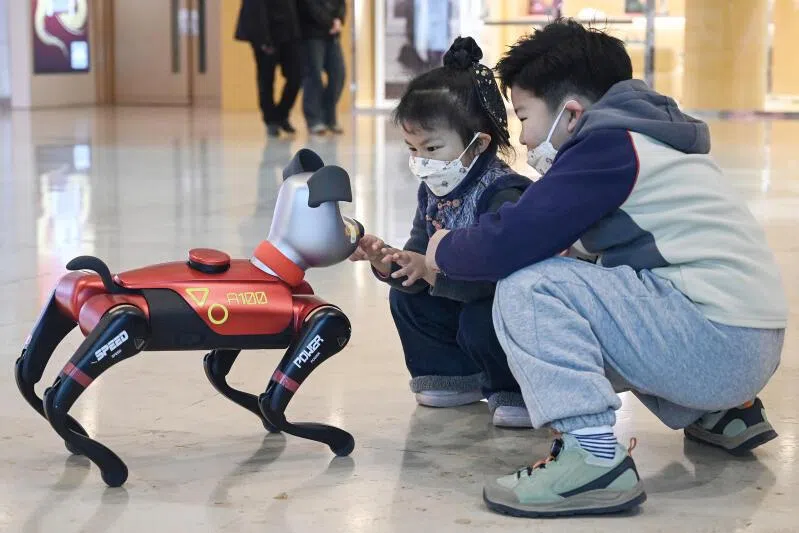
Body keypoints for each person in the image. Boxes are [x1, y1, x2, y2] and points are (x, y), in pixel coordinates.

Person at [423, 19, 788, 517]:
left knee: (531, 287)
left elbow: (512, 240)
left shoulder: (606, 145)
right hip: (744, 340)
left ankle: (592, 460)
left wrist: (442, 249)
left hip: (718, 342)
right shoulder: (648, 137)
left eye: (525, 117)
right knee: (582, 276)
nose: (525, 139)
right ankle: (720, 412)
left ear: (571, 113)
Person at [349, 37, 533, 427]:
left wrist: (433, 271)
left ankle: (515, 390)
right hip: (457, 289)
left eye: (431, 148)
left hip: (503, 305)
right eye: (411, 148)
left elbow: (500, 279)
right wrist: (393, 263)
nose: (420, 162)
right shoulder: (434, 189)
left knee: (480, 319)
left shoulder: (504, 192)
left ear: (478, 144)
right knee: (407, 301)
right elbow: (420, 254)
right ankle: (453, 376)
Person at [235, 0, 303, 138]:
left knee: (296, 77)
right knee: (266, 79)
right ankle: (271, 120)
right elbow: (254, 8)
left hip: (290, 34)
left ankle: (281, 114)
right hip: (266, 34)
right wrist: (263, 40)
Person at [297, 0, 347, 135]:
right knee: (314, 77)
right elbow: (310, 7)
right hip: (311, 35)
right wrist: (331, 22)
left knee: (339, 75)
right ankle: (314, 120)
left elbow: (341, 4)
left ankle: (328, 117)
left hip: (332, 36)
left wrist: (339, 20)